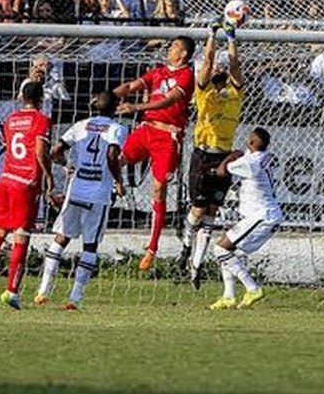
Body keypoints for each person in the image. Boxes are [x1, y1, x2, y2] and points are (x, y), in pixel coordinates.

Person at [34, 91, 127, 310]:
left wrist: (67, 165)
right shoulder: (118, 129)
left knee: (61, 238)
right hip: (98, 193)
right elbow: (112, 156)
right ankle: (75, 297)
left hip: (76, 189)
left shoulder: (80, 125)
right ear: (115, 107)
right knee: (90, 244)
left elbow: (55, 151)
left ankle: (43, 290)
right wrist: (119, 181)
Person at [112, 35, 196, 271]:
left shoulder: (187, 75)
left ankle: (152, 248)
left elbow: (170, 101)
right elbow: (130, 86)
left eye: (175, 47)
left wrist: (136, 107)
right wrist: (109, 96)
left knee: (158, 189)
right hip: (146, 130)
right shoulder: (158, 72)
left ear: (184, 54)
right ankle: (116, 185)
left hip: (167, 136)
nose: (170, 49)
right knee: (115, 161)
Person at [0, 81, 53, 310]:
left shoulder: (10, 120)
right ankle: (11, 291)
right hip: (25, 184)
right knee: (21, 237)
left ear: (21, 98)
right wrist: (49, 175)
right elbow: (39, 151)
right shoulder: (42, 120)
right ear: (42, 98)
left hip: (6, 180)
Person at [178, 23, 243, 288]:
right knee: (197, 210)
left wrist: (232, 39)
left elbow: (236, 65)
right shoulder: (204, 93)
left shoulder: (234, 95)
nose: (218, 68)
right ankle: (185, 246)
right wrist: (212, 35)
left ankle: (196, 265)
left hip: (223, 157)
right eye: (217, 67)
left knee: (212, 213)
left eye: (222, 67)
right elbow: (206, 61)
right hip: (203, 155)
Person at [207, 127, 281, 311]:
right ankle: (229, 296)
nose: (247, 141)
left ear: (253, 143)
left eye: (249, 139)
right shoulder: (265, 156)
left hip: (262, 216)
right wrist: (241, 154)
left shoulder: (251, 165)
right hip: (264, 215)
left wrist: (231, 155)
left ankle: (253, 288)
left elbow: (222, 172)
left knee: (220, 249)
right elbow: (249, 154)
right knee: (228, 254)